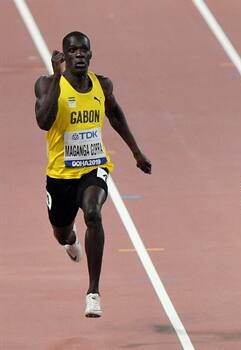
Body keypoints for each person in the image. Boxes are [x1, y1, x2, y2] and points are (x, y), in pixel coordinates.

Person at [35, 31, 151, 317]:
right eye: (72, 51)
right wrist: (57, 79)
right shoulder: (47, 84)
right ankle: (71, 240)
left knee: (93, 213)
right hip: (60, 175)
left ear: (90, 54)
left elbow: (114, 114)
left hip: (93, 166)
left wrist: (136, 151)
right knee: (61, 233)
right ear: (63, 55)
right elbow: (43, 121)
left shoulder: (102, 84)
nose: (79, 55)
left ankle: (93, 292)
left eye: (83, 50)